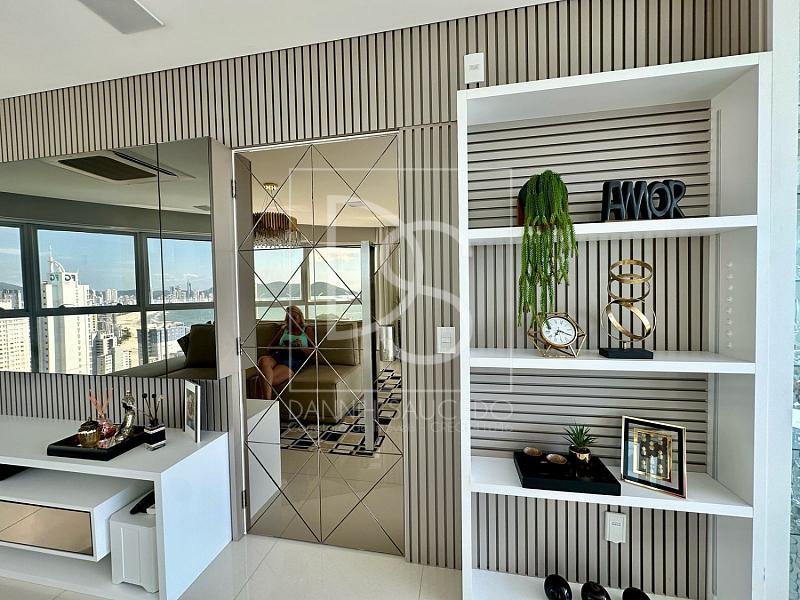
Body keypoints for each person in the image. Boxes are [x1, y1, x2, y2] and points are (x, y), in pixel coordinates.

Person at [257, 305, 315, 400]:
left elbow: (313, 352)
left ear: (300, 318)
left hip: (294, 359)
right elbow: (269, 348)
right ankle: (268, 404)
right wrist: (283, 347)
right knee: (263, 360)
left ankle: (267, 403)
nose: (291, 321)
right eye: (289, 319)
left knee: (266, 379)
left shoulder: (307, 329)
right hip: (279, 355)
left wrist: (300, 348)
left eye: (294, 318)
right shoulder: (284, 329)